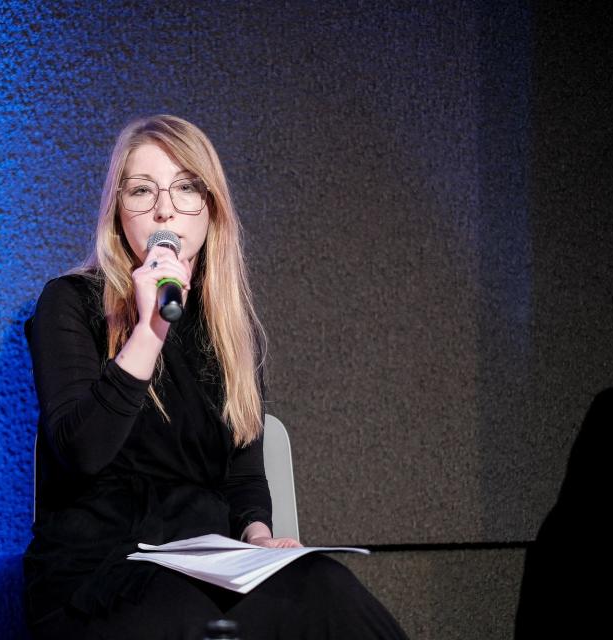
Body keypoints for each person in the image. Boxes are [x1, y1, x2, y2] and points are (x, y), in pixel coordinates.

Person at [23, 115, 407, 639]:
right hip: (100, 568)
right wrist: (151, 329)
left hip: (206, 562)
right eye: (141, 190)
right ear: (118, 211)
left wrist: (258, 534)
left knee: (325, 587)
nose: (164, 208)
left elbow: (244, 472)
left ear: (211, 209)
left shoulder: (228, 325)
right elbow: (81, 449)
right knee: (199, 618)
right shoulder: (69, 302)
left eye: (185, 189)